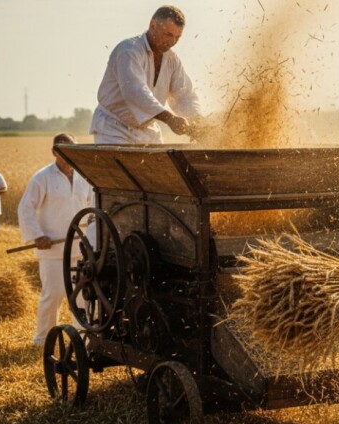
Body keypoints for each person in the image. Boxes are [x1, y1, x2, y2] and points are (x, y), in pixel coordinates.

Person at [18, 133, 93, 346]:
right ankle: (43, 338)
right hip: (52, 249)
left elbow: (92, 205)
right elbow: (26, 208)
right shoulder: (42, 177)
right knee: (53, 294)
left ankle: (81, 336)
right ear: (54, 152)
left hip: (79, 247)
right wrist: (37, 235)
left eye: (72, 151)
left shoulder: (84, 176)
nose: (69, 156)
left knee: (81, 295)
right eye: (63, 151)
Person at [89, 5, 202, 144]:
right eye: (168, 35)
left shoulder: (172, 60)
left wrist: (197, 119)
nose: (172, 42)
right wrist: (170, 119)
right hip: (114, 127)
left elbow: (185, 95)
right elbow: (136, 92)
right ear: (153, 25)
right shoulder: (129, 50)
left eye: (177, 37)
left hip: (148, 130)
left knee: (159, 166)